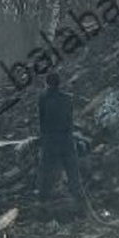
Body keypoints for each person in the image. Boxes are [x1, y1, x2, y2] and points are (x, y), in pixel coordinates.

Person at [37, 71, 85, 215]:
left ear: (46, 84)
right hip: (66, 139)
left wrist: (44, 138)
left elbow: (42, 121)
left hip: (51, 140)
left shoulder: (43, 98)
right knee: (72, 169)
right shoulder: (67, 99)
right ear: (59, 83)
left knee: (46, 169)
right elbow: (70, 120)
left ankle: (42, 198)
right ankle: (77, 196)